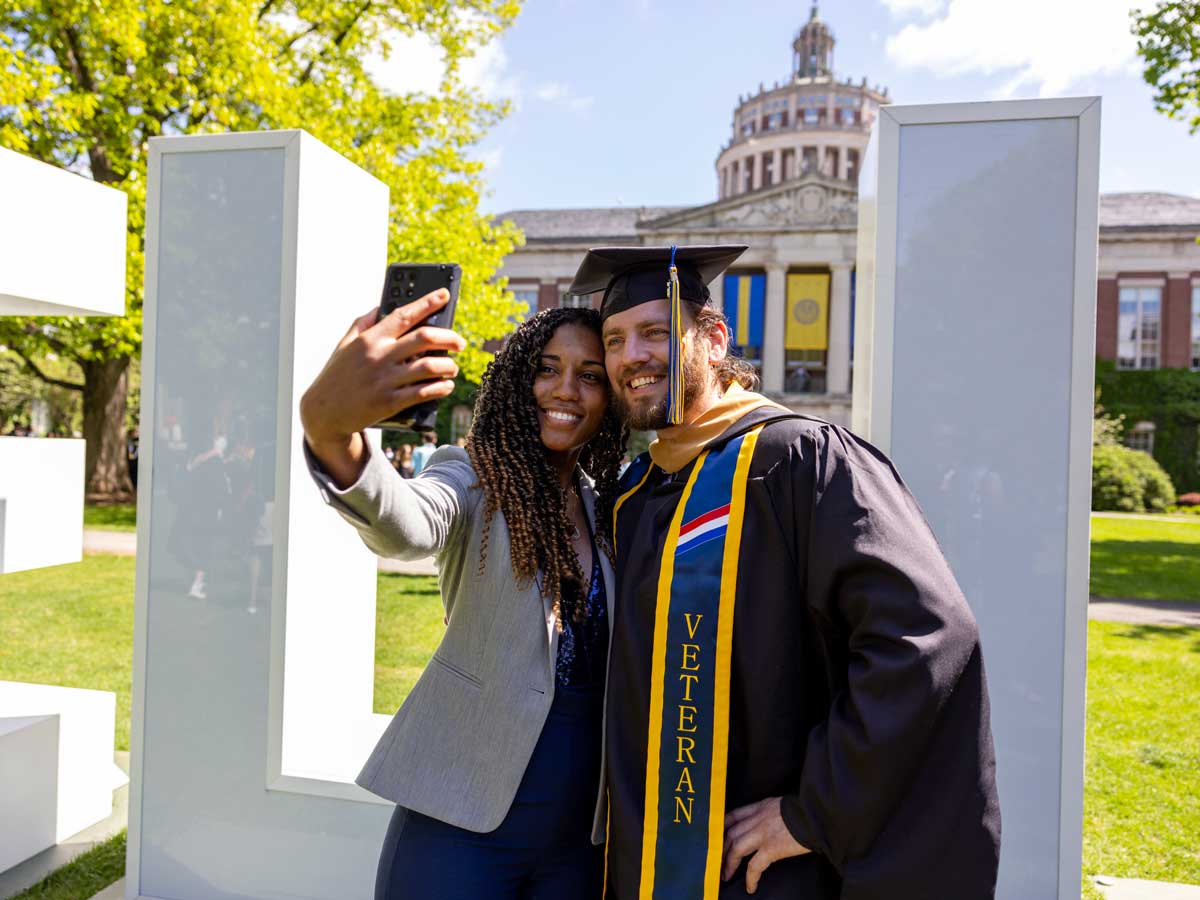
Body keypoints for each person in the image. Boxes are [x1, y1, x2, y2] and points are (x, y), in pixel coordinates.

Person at [569, 245, 1001, 899]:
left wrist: (814, 810)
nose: (631, 356)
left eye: (656, 332)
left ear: (713, 339)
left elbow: (925, 638)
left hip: (763, 869)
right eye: (616, 339)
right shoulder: (637, 492)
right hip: (645, 856)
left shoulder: (801, 461)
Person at [299, 295, 627, 900]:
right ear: (516, 380)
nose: (565, 390)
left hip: (579, 839)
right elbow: (408, 523)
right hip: (460, 821)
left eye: (589, 377)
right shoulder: (472, 476)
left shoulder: (608, 507)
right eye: (547, 369)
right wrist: (332, 433)